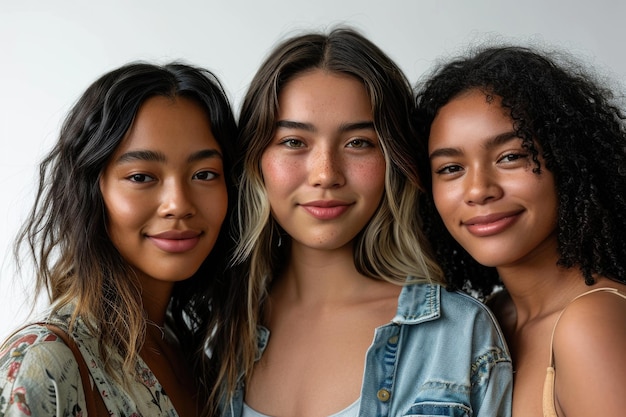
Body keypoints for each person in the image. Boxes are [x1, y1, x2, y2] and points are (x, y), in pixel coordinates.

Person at [214, 27, 512, 417]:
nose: (326, 174)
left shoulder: (458, 335)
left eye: (358, 143)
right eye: (293, 142)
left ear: (393, 159)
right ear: (256, 159)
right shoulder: (215, 332)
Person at [0, 62, 238, 417]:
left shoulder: (195, 361)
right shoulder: (43, 363)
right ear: (91, 191)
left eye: (204, 174)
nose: (179, 205)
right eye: (141, 176)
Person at [414, 45, 626, 417]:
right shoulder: (487, 318)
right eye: (450, 168)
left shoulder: (591, 323)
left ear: (568, 161)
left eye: (510, 156)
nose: (479, 189)